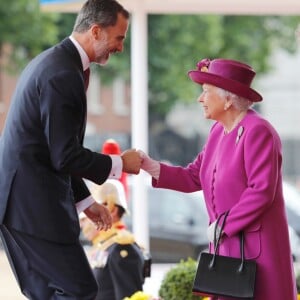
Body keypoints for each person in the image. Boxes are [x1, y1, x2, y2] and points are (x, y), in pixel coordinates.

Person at [0, 1, 142, 299]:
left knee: (47, 293)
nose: (120, 48)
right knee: (79, 289)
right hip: (32, 207)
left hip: (19, 205)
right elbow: (64, 154)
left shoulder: (54, 63)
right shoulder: (63, 73)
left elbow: (55, 150)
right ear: (95, 31)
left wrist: (85, 202)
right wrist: (119, 163)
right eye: (119, 37)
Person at [139, 58, 298, 299]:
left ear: (228, 98)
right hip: (226, 246)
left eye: (205, 92)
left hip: (257, 251)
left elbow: (261, 190)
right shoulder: (217, 132)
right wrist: (150, 166)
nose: (199, 99)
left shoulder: (259, 131)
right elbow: (194, 176)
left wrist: (223, 224)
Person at [80, 179, 148, 300]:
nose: (82, 224)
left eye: (89, 213)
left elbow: (128, 296)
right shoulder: (103, 245)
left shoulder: (122, 246)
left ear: (112, 210)